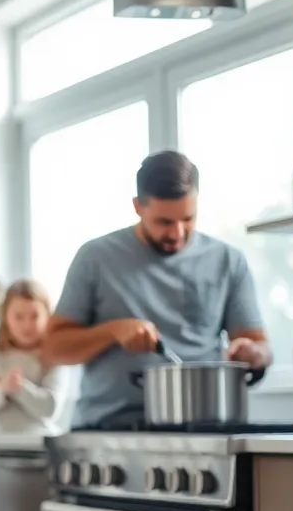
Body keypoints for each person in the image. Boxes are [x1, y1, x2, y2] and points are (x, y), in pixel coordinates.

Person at [40, 151, 272, 429]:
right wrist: (113, 331)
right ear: (138, 207)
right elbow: (52, 349)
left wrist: (255, 354)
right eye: (164, 222)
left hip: (207, 428)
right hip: (108, 430)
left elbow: (260, 346)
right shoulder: (95, 258)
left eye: (188, 219)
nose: (177, 233)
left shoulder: (228, 261)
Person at [0, 278, 63, 434]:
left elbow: (50, 409)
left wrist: (19, 388)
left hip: (39, 443)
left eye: (34, 316)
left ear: (47, 316)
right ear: (6, 317)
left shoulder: (54, 355)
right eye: (19, 316)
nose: (27, 325)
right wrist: (1, 389)